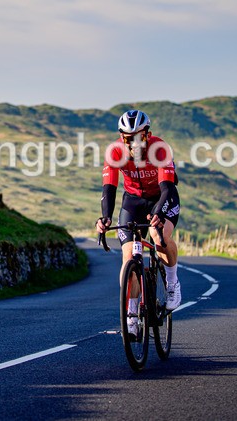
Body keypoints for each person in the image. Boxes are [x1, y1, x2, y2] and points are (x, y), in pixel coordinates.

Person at [95, 110, 182, 338]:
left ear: (147, 134)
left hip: (162, 197)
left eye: (138, 136)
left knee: (158, 235)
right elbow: (109, 188)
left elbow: (167, 188)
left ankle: (172, 282)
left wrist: (158, 213)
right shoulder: (114, 152)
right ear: (121, 137)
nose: (133, 142)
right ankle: (131, 316)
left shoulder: (160, 148)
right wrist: (105, 217)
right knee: (128, 258)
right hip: (133, 201)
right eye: (127, 137)